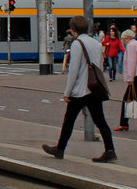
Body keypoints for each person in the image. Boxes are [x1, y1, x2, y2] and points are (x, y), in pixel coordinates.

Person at [42, 15, 117, 163]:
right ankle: (110, 150)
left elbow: (74, 71)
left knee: (69, 120)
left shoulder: (77, 44)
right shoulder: (96, 43)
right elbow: (100, 67)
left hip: (81, 90)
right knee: (100, 120)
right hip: (94, 88)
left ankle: (60, 149)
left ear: (73, 29)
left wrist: (67, 92)